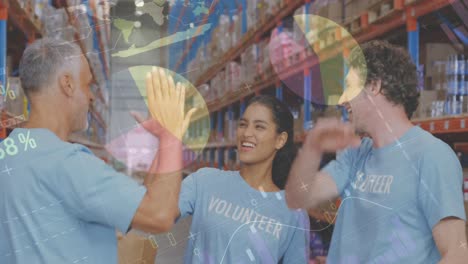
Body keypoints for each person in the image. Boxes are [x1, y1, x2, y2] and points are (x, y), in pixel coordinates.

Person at [0, 38, 195, 263]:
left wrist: (161, 142)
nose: (91, 96)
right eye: (87, 84)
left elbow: (140, 206)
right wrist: (172, 138)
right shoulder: (68, 163)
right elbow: (160, 215)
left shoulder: (8, 153)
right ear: (67, 84)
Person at [285, 40, 468, 263]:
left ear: (374, 86)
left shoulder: (432, 156)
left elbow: (457, 253)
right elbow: (297, 197)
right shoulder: (356, 153)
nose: (343, 100)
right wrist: (312, 147)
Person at [176, 95, 310, 263]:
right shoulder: (205, 181)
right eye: (242, 124)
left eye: (259, 127)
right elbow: (157, 213)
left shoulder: (293, 212)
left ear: (280, 140)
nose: (246, 133)